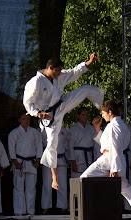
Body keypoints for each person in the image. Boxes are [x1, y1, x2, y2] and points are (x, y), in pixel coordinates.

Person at [23, 52, 104, 190]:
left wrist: (89, 62)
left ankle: (104, 108)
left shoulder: (58, 76)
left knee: (85, 89)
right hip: (49, 116)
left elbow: (73, 72)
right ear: (50, 68)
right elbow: (27, 102)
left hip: (62, 104)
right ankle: (54, 177)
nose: (60, 73)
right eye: (58, 70)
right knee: (52, 145)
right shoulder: (35, 82)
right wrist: (38, 114)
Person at [80, 100, 131, 214]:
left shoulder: (114, 126)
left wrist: (114, 168)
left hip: (109, 158)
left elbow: (114, 146)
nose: (102, 115)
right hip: (115, 158)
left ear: (110, 112)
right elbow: (107, 143)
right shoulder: (120, 125)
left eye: (103, 113)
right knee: (124, 187)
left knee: (84, 179)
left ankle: (92, 211)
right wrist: (97, 128)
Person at [8, 113, 43, 216]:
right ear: (19, 120)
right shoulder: (14, 133)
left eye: (27, 119)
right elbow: (11, 148)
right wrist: (15, 162)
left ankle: (30, 212)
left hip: (32, 162)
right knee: (18, 188)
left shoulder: (35, 132)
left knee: (31, 188)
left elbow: (39, 146)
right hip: (19, 162)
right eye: (23, 119)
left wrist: (38, 160)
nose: (26, 121)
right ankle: (19, 212)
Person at [41, 127, 69, 214]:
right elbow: (41, 143)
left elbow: (67, 144)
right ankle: (46, 207)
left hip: (61, 159)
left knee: (62, 184)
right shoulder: (44, 130)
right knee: (47, 184)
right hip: (48, 160)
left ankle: (63, 207)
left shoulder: (64, 130)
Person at [68, 107, 99, 178]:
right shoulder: (73, 128)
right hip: (78, 158)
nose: (85, 117)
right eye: (83, 115)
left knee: (89, 178)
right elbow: (70, 145)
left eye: (87, 115)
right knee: (77, 179)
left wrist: (97, 159)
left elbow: (96, 145)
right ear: (78, 116)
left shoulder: (91, 128)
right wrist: (73, 162)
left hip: (90, 157)